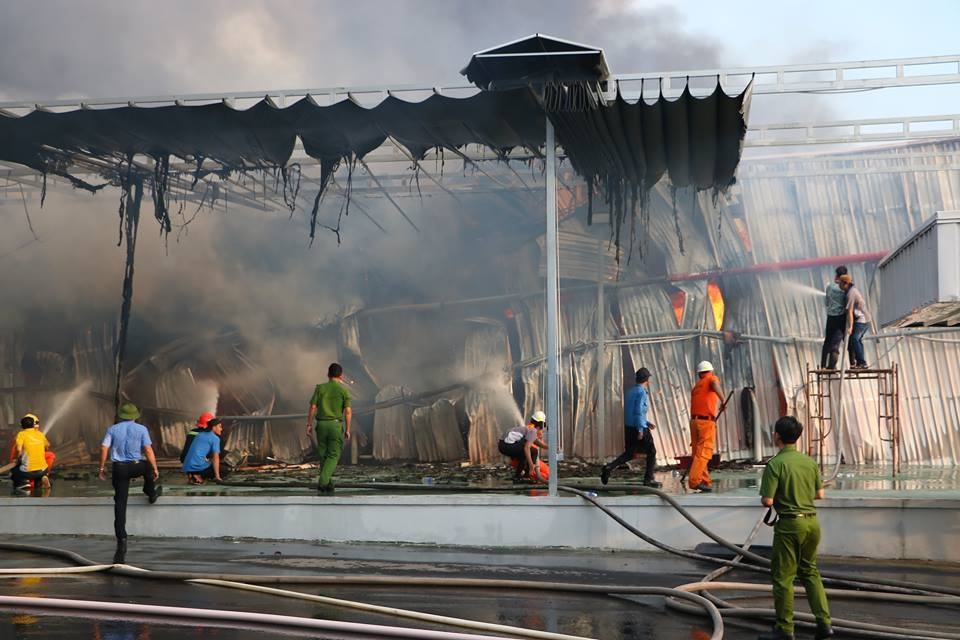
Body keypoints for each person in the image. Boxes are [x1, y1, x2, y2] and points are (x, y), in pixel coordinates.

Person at [758, 416, 833, 640]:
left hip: (790, 525)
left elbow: (768, 501)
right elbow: (820, 495)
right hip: (812, 523)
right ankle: (824, 624)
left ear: (777, 436)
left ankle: (785, 628)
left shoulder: (776, 463)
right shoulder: (809, 462)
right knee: (810, 572)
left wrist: (785, 496)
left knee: (783, 578)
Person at [99, 403, 162, 563]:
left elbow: (104, 448)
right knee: (147, 469)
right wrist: (155, 468)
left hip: (119, 468)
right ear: (135, 416)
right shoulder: (141, 429)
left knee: (120, 502)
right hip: (136, 465)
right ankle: (150, 492)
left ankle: (122, 537)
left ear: (121, 416)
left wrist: (102, 467)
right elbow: (148, 450)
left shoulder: (112, 429)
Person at [599, 367, 661, 487]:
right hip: (639, 428)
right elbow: (638, 411)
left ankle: (609, 467)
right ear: (647, 380)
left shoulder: (629, 392)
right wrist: (641, 429)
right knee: (652, 452)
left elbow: (632, 412)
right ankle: (648, 479)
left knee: (629, 453)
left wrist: (646, 422)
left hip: (629, 427)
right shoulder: (642, 392)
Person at [306, 362, 352, 494]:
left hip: (321, 425)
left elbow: (313, 407)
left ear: (328, 374)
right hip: (335, 426)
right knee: (333, 455)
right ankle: (323, 482)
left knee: (323, 455)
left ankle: (329, 484)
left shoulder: (320, 388)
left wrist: (309, 424)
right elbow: (348, 411)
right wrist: (348, 429)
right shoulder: (344, 390)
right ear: (341, 376)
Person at [689, 360, 724, 493]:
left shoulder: (697, 385)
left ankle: (705, 481)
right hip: (705, 422)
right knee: (704, 452)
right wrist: (723, 400)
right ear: (710, 371)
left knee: (697, 453)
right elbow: (715, 384)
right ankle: (694, 481)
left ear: (699, 374)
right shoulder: (711, 378)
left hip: (694, 421)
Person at [498, 411, 548, 482]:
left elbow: (538, 443)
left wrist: (551, 447)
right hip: (506, 445)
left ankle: (520, 476)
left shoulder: (530, 428)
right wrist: (531, 465)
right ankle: (524, 475)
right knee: (531, 452)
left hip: (503, 445)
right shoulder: (533, 431)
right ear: (541, 424)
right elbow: (526, 448)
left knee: (528, 453)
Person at [10, 413, 53, 493]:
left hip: (28, 470)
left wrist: (18, 459)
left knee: (14, 471)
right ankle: (43, 477)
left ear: (21, 426)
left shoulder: (21, 434)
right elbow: (48, 446)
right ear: (34, 424)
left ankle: (23, 483)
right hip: (43, 469)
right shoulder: (41, 434)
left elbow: (18, 450)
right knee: (47, 459)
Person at [839, 274, 870, 369]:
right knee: (857, 340)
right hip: (865, 319)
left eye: (840, 283)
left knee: (854, 339)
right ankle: (861, 362)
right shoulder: (851, 291)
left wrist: (850, 327)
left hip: (862, 320)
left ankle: (862, 362)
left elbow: (850, 311)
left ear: (845, 284)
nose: (839, 285)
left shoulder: (851, 294)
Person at [819, 266, 848, 370]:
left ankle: (822, 365)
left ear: (836, 275)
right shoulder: (845, 288)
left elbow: (827, 302)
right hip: (841, 317)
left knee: (828, 341)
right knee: (836, 342)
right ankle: (832, 366)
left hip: (831, 317)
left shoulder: (830, 287)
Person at [181, 418, 223, 484]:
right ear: (214, 427)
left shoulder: (199, 434)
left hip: (186, 466)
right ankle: (198, 476)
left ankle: (193, 475)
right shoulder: (215, 438)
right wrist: (217, 477)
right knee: (225, 470)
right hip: (197, 467)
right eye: (220, 427)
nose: (221, 429)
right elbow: (216, 458)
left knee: (210, 463)